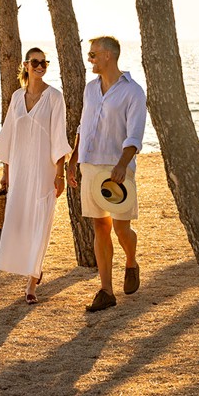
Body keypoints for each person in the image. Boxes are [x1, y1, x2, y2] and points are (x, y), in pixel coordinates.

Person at [67, 36, 147, 312]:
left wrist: (123, 164)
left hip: (117, 168)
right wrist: (73, 159)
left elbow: (135, 134)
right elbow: (82, 125)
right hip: (90, 166)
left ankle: (131, 262)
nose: (89, 59)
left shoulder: (133, 92)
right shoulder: (90, 89)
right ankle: (106, 290)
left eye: (93, 54)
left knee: (121, 228)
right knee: (100, 227)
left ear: (108, 56)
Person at [0, 47, 71, 305]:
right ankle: (32, 269)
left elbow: (59, 137)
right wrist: (6, 173)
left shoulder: (54, 97)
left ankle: (32, 281)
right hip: (19, 170)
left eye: (44, 62)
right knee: (20, 220)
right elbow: (8, 136)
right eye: (35, 62)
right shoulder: (17, 97)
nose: (40, 66)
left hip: (43, 170)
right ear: (26, 65)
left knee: (41, 221)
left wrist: (59, 173)